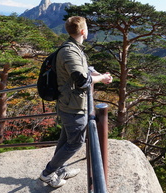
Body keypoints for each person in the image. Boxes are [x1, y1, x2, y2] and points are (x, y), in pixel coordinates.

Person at [40, 16, 112, 188]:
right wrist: (101, 78)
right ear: (82, 31)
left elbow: (83, 71)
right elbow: (81, 81)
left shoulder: (74, 48)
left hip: (70, 103)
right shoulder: (69, 51)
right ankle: (48, 173)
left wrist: (97, 74)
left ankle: (59, 168)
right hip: (73, 106)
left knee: (65, 140)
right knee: (76, 143)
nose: (88, 30)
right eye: (87, 28)